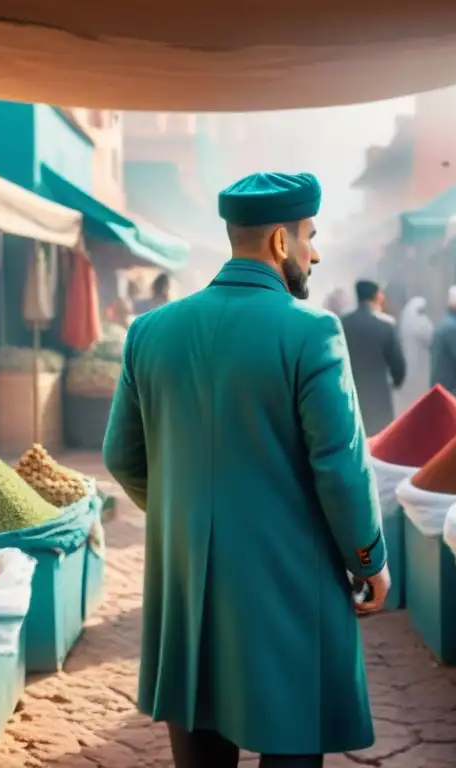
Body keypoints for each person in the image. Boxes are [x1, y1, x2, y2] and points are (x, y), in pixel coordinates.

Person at [103, 171, 390, 768]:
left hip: (188, 582)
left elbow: (121, 457)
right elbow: (339, 468)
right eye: (310, 236)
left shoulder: (149, 331)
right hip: (289, 582)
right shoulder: (311, 331)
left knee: (199, 740)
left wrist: (184, 515)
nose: (316, 251)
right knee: (292, 745)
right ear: (281, 243)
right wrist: (369, 560)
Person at [341, 280, 406, 436]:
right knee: (379, 440)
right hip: (378, 395)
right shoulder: (386, 325)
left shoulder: (341, 323)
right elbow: (398, 364)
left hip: (349, 393)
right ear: (376, 296)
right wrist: (397, 381)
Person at [393, 297, 434, 415]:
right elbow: (431, 339)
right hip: (421, 363)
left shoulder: (405, 320)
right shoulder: (421, 322)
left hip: (408, 361)